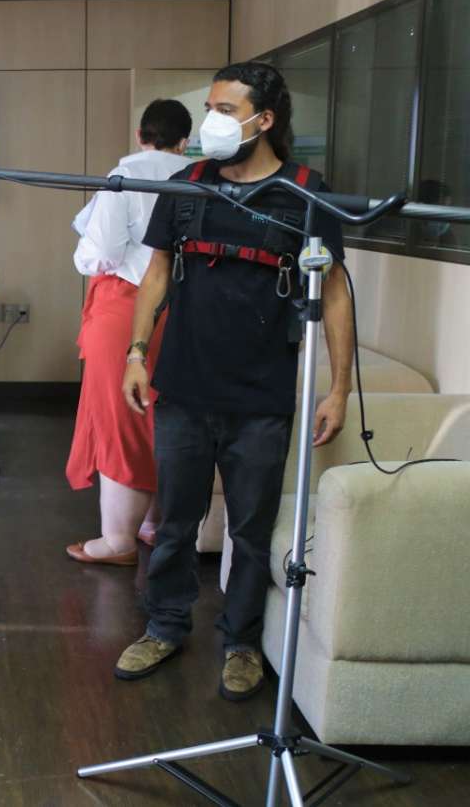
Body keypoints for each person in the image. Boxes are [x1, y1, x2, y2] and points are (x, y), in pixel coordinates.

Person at [114, 62, 352, 701]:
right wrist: (136, 353)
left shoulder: (306, 193)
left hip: (261, 395)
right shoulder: (187, 186)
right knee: (175, 522)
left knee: (250, 530)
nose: (211, 122)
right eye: (210, 109)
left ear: (264, 120)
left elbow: (333, 293)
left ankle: (241, 641)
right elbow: (157, 273)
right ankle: (164, 626)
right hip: (184, 386)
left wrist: (337, 389)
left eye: (225, 110)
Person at [65, 99, 194, 567]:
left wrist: (83, 257)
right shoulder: (201, 178)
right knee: (163, 415)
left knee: (120, 418)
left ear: (141, 135)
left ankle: (118, 540)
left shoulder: (125, 176)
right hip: (184, 311)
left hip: (126, 308)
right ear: (185, 141)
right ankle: (152, 523)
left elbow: (99, 252)